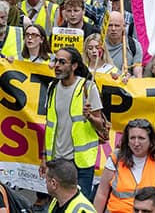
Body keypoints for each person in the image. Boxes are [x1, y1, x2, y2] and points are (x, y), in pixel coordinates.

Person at [42, 47, 106, 200]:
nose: (57, 65)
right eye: (56, 61)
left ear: (74, 66)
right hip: (56, 162)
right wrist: (44, 158)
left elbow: (101, 126)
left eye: (62, 62)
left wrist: (90, 117)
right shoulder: (52, 88)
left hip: (80, 164)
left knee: (78, 205)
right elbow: (49, 126)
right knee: (58, 204)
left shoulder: (87, 88)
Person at [93, 118, 155, 213]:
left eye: (141, 138)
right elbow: (102, 194)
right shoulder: (116, 158)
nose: (136, 143)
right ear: (127, 140)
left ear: (151, 141)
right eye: (132, 138)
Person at [104, 11, 143, 78]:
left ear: (124, 27)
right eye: (110, 25)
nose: (113, 29)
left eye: (117, 26)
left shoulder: (134, 45)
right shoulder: (99, 44)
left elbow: (137, 71)